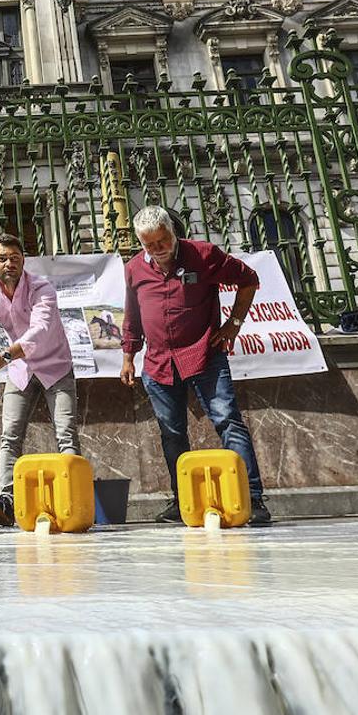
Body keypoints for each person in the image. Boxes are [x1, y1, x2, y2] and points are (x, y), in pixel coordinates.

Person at [120, 206, 272, 526]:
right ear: (140, 243)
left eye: (163, 241)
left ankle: (253, 498)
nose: (158, 250)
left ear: (173, 233)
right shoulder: (134, 268)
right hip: (159, 363)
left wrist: (234, 323)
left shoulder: (203, 255)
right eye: (149, 245)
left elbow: (249, 280)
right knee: (172, 433)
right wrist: (128, 356)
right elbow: (132, 316)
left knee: (228, 421)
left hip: (205, 353)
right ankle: (183, 500)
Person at [0, 233, 80, 527]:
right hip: (20, 370)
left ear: (23, 261)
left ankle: (73, 498)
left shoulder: (42, 288)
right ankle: (6, 500)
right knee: (9, 436)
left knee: (65, 433)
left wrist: (4, 355)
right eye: (2, 258)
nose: (9, 264)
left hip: (55, 366)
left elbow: (40, 330)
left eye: (15, 258)